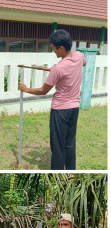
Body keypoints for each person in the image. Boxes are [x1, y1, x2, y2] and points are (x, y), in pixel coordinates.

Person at [18, 29, 86, 170]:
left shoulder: (59, 69)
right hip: (74, 108)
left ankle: (56, 174)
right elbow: (80, 65)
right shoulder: (79, 56)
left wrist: (26, 89)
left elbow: (43, 91)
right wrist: (49, 69)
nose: (53, 51)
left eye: (54, 49)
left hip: (60, 110)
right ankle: (71, 171)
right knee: (69, 142)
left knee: (57, 146)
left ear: (61, 48)